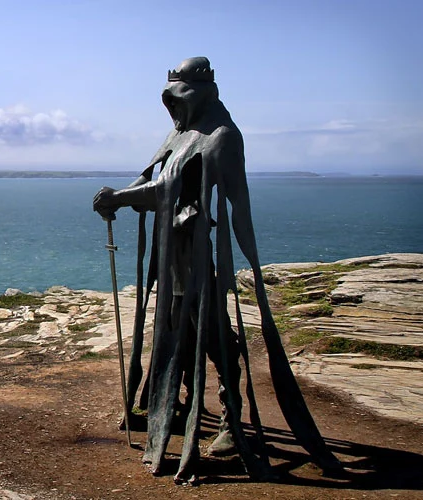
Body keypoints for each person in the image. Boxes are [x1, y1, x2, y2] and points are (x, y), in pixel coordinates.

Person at [92, 57, 341, 483]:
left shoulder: (222, 136)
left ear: (204, 93)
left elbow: (174, 189)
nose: (172, 107)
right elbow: (160, 180)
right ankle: (172, 404)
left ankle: (231, 418)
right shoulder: (181, 134)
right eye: (168, 99)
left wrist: (120, 196)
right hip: (169, 255)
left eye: (179, 96)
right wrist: (123, 196)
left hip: (193, 257)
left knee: (212, 335)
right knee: (177, 331)